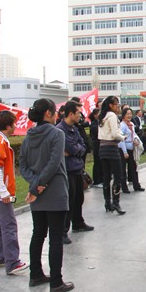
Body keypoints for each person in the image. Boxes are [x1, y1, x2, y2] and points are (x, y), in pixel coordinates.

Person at [20, 98, 74, 292]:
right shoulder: (57, 134)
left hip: (37, 194)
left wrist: (35, 185)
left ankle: (35, 275)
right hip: (54, 191)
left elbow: (23, 166)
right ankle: (56, 282)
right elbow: (53, 164)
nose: (57, 114)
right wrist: (39, 186)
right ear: (48, 113)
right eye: (55, 111)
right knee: (55, 238)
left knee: (38, 234)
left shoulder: (28, 136)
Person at [0, 110, 29, 275]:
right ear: (8, 126)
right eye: (14, 123)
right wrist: (4, 192)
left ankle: (0, 257)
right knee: (9, 225)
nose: (15, 126)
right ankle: (13, 262)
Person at [56, 101, 94, 244]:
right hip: (67, 170)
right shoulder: (60, 130)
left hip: (77, 167)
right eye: (78, 113)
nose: (80, 116)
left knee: (79, 198)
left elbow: (82, 145)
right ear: (71, 114)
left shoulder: (74, 128)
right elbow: (71, 148)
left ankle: (78, 223)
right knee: (68, 201)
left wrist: (75, 150)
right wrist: (75, 149)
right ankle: (63, 231)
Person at [98, 96, 126, 214]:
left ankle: (107, 203)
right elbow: (115, 134)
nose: (118, 106)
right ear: (111, 105)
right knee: (118, 176)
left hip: (102, 148)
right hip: (112, 148)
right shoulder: (112, 116)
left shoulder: (102, 116)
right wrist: (123, 137)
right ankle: (116, 202)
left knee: (106, 177)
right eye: (116, 104)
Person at [119, 107, 145, 193]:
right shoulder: (122, 125)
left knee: (134, 167)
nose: (129, 116)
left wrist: (135, 140)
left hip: (131, 149)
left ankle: (136, 185)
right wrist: (125, 152)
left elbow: (133, 134)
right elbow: (121, 139)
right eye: (127, 114)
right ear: (123, 115)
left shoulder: (131, 124)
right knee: (123, 169)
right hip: (123, 150)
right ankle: (124, 187)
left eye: (130, 114)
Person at [88, 109, 103, 187]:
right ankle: (96, 181)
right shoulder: (94, 124)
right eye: (98, 113)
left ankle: (101, 179)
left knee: (101, 163)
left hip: (101, 144)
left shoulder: (100, 122)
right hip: (96, 145)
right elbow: (96, 132)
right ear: (95, 115)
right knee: (97, 162)